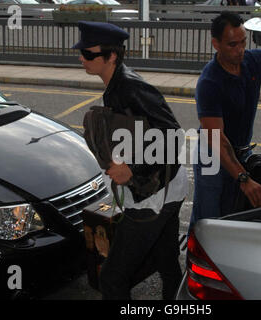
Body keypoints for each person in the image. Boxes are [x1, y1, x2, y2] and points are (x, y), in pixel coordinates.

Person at [72, 21, 188, 300]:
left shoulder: (129, 88)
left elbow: (174, 136)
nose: (81, 58)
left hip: (154, 196)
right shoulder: (118, 84)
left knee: (112, 278)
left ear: (111, 56)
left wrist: (132, 169)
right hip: (168, 189)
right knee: (167, 262)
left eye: (89, 54)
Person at [189, 11, 261, 230]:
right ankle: (195, 260)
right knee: (207, 221)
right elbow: (216, 139)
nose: (240, 50)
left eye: (243, 42)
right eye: (232, 45)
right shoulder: (210, 82)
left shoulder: (253, 61)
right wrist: (244, 179)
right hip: (212, 155)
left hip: (240, 151)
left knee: (231, 213)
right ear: (216, 44)